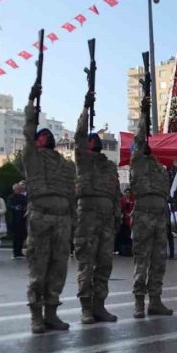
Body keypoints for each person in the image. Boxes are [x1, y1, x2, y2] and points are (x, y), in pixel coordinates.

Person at [23, 78, 76, 333]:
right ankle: (36, 315)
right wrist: (31, 102)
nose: (47, 136)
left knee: (58, 268)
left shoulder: (65, 164)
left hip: (62, 219)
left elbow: (72, 195)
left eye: (49, 134)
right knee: (39, 267)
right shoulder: (32, 158)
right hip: (41, 217)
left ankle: (51, 312)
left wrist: (73, 221)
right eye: (42, 135)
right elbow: (28, 130)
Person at [74, 90, 122, 324]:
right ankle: (86, 308)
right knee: (86, 263)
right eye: (90, 139)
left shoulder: (109, 166)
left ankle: (99, 305)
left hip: (106, 220)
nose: (94, 141)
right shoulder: (83, 160)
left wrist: (116, 218)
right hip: (88, 218)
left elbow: (116, 195)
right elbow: (79, 134)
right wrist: (86, 108)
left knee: (104, 264)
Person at [130, 91, 172, 317]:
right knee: (142, 260)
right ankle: (139, 302)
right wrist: (144, 114)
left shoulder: (158, 167)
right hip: (144, 215)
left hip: (159, 216)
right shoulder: (138, 162)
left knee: (158, 260)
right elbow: (138, 139)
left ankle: (155, 300)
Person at [8, 182, 28, 259]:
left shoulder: (23, 197)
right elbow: (9, 206)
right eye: (18, 189)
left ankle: (19, 251)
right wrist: (15, 207)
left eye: (20, 189)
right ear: (14, 190)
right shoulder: (11, 197)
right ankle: (15, 252)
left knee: (22, 236)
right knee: (16, 237)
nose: (19, 190)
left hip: (23, 219)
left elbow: (26, 204)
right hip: (15, 220)